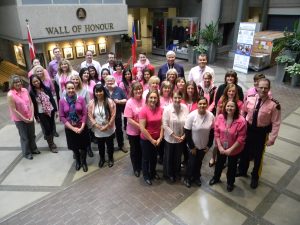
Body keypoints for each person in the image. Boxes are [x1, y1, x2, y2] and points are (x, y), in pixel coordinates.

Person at [237, 78, 281, 189]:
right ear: (256, 88)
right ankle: (242, 170)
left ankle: (255, 177)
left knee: (258, 156)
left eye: (266, 87)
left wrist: (272, 138)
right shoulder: (250, 99)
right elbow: (243, 111)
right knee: (244, 152)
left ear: (269, 89)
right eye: (261, 87)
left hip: (261, 133)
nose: (263, 89)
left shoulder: (274, 105)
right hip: (248, 129)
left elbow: (276, 123)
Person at [209, 100, 247, 192]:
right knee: (219, 164)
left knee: (232, 166)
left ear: (236, 108)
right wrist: (220, 146)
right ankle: (216, 177)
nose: (229, 108)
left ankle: (230, 182)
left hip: (234, 149)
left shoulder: (241, 121)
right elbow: (216, 132)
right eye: (227, 106)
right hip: (221, 147)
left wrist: (230, 150)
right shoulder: (220, 117)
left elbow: (241, 138)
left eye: (232, 106)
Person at [183, 97, 215, 188]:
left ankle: (197, 177)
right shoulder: (192, 115)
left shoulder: (211, 116)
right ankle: (188, 178)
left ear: (207, 105)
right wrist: (192, 147)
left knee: (199, 162)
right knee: (191, 163)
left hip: (203, 146)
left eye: (204, 104)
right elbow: (187, 132)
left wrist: (209, 146)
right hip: (193, 146)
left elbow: (212, 132)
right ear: (197, 105)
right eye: (200, 104)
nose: (202, 105)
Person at [59, 81, 89, 172]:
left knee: (83, 147)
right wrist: (73, 128)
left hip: (81, 127)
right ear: (65, 89)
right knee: (74, 147)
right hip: (70, 128)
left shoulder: (81, 99)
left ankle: (84, 162)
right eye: (69, 88)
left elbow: (84, 114)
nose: (71, 90)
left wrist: (82, 127)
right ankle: (78, 161)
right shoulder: (62, 101)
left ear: (75, 88)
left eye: (72, 88)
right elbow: (62, 116)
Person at [7, 75, 39, 160]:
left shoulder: (25, 90)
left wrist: (32, 116)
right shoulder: (10, 95)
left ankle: (34, 149)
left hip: (29, 116)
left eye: (19, 81)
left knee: (32, 135)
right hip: (19, 119)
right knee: (24, 136)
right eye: (16, 82)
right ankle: (27, 153)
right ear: (12, 84)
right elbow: (14, 110)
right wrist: (24, 119)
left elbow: (31, 103)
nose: (18, 83)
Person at [162, 91, 189, 182]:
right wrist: (174, 136)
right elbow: (165, 125)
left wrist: (184, 135)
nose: (177, 100)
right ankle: (169, 174)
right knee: (169, 157)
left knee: (178, 157)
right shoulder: (167, 109)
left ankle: (177, 172)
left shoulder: (185, 108)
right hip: (170, 138)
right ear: (172, 98)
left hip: (181, 138)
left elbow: (188, 123)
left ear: (181, 98)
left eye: (179, 98)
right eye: (175, 98)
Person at [88, 83, 116, 168]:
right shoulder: (92, 103)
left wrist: (107, 126)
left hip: (109, 128)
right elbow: (89, 115)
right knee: (100, 146)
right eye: (96, 91)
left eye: (100, 91)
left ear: (103, 91)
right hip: (98, 129)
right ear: (94, 92)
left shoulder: (110, 102)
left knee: (110, 145)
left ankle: (110, 158)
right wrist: (97, 125)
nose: (98, 93)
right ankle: (102, 158)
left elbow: (113, 115)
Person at [139, 90, 163, 185]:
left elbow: (162, 125)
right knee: (146, 158)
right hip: (146, 140)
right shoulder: (143, 111)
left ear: (157, 99)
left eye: (155, 98)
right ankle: (146, 175)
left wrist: (160, 138)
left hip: (157, 139)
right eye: (151, 97)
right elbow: (142, 128)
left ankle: (153, 172)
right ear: (147, 98)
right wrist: (152, 140)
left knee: (154, 157)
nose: (153, 100)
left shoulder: (160, 109)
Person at [29, 75, 58, 153]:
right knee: (47, 128)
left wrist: (56, 110)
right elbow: (33, 105)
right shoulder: (32, 93)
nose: (36, 83)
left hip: (50, 110)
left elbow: (52, 99)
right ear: (31, 83)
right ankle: (51, 145)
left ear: (40, 80)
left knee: (51, 127)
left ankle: (52, 141)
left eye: (37, 81)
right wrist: (35, 116)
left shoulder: (46, 89)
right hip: (41, 112)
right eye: (34, 82)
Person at [124, 81, 144, 177]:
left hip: (143, 132)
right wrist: (141, 127)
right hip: (133, 132)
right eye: (136, 89)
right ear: (133, 91)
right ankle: (136, 168)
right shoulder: (129, 102)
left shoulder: (144, 100)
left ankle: (141, 166)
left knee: (142, 149)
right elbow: (129, 119)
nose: (138, 91)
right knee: (135, 150)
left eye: (140, 89)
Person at [105, 75, 127, 152]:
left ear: (114, 81)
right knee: (108, 131)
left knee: (119, 130)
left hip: (117, 114)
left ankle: (121, 145)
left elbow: (126, 100)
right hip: (106, 115)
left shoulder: (119, 89)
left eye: (111, 80)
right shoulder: (104, 90)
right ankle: (109, 148)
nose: (110, 82)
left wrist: (119, 101)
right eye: (108, 80)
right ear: (105, 81)